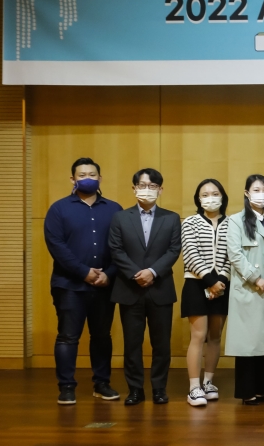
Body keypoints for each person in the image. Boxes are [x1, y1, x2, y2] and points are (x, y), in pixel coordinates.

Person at [44, 157, 123, 405]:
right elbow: (56, 246)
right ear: (72, 179)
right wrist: (83, 272)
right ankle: (66, 387)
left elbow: (121, 246)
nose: (87, 178)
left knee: (102, 336)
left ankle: (102, 383)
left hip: (105, 285)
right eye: (82, 175)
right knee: (68, 337)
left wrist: (109, 273)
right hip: (69, 285)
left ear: (100, 178)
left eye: (92, 174)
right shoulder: (58, 209)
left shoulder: (114, 209)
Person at [108, 168, 182, 406]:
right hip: (129, 289)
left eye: (152, 186)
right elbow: (116, 249)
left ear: (160, 190)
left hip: (160, 288)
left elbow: (174, 250)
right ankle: (135, 389)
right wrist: (135, 273)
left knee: (161, 344)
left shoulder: (171, 218)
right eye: (142, 185)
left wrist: (152, 272)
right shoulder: (120, 217)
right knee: (132, 343)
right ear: (134, 188)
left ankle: (159, 388)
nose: (147, 190)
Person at [225, 175, 264, 405]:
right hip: (248, 289)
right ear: (247, 193)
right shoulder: (236, 221)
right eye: (256, 189)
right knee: (247, 343)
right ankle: (246, 391)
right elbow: (235, 254)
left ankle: (261, 389)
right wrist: (256, 278)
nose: (261, 194)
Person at [180, 179, 230, 407]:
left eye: (215, 193)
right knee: (198, 336)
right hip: (196, 284)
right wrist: (209, 281)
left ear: (223, 197)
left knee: (215, 336)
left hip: (222, 285)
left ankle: (209, 382)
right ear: (198, 199)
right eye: (205, 194)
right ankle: (194, 387)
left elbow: (232, 255)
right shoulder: (190, 222)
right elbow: (190, 253)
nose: (211, 198)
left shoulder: (232, 224)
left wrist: (221, 280)